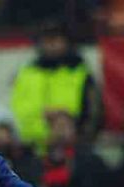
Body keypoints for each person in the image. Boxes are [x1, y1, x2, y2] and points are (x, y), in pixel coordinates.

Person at [10, 24, 102, 153]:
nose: (51, 44)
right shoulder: (26, 73)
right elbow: (15, 111)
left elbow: (93, 115)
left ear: (67, 42)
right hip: (30, 150)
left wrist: (80, 140)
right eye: (47, 40)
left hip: (71, 151)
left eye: (56, 39)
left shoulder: (81, 73)